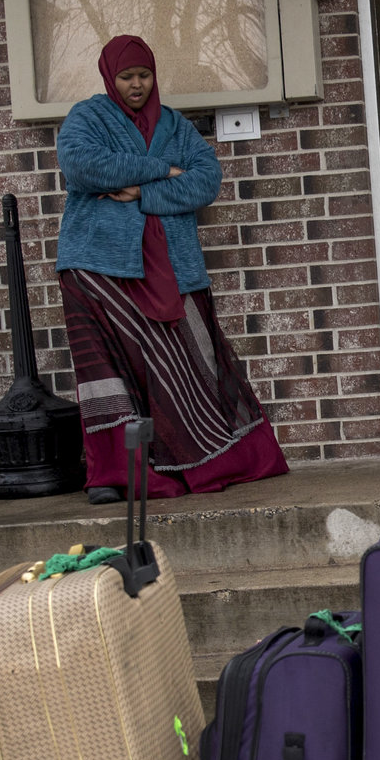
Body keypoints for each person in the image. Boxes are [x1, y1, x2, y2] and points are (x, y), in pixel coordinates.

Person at [54, 34, 287, 502]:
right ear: (109, 77)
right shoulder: (88, 117)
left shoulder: (177, 127)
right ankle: (113, 476)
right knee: (108, 373)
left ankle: (195, 464)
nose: (136, 85)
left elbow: (206, 181)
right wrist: (163, 171)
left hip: (171, 269)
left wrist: (141, 191)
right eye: (126, 77)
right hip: (97, 268)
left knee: (186, 368)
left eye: (144, 75)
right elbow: (80, 166)